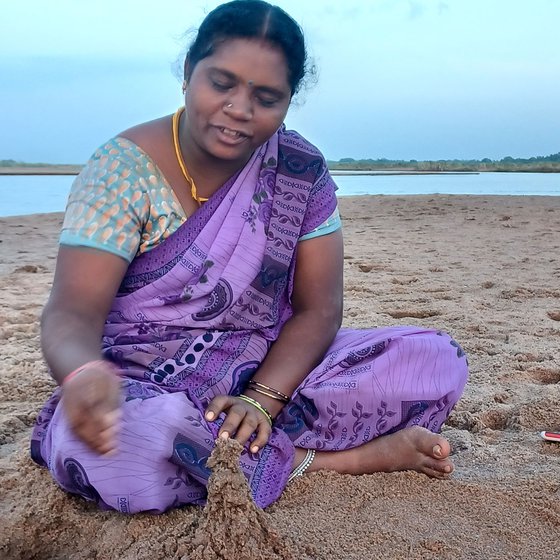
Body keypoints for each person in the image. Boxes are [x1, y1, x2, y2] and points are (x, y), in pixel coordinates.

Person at [31, 0, 468, 514]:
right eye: (221, 83)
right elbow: (71, 312)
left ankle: (249, 448)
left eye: (266, 97)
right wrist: (83, 376)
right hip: (144, 384)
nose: (239, 108)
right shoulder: (122, 170)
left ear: (288, 101)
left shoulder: (299, 169)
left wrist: (262, 398)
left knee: (435, 360)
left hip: (267, 370)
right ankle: (331, 459)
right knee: (129, 444)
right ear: (188, 74)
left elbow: (319, 309)